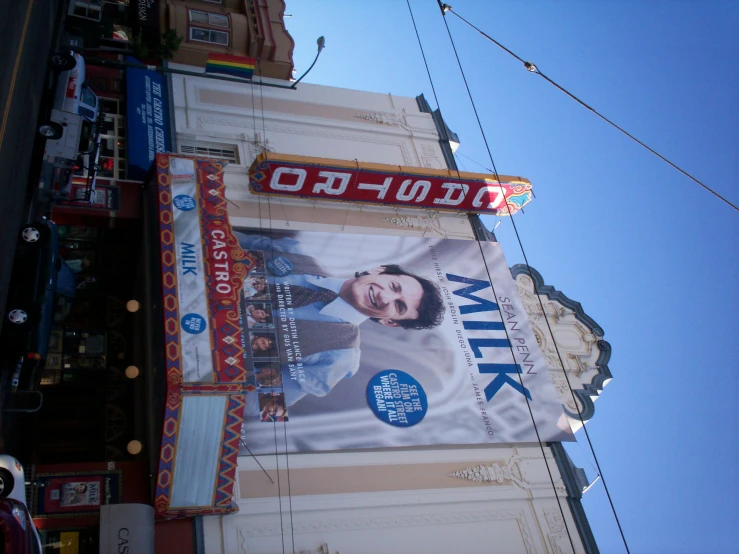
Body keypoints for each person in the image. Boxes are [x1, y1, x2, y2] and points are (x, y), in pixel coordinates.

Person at [236, 231, 445, 411]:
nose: (385, 297)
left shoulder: (339, 357)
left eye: (399, 306)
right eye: (394, 286)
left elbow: (262, 403)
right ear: (379, 270)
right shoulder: (295, 252)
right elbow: (220, 240)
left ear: (389, 322)